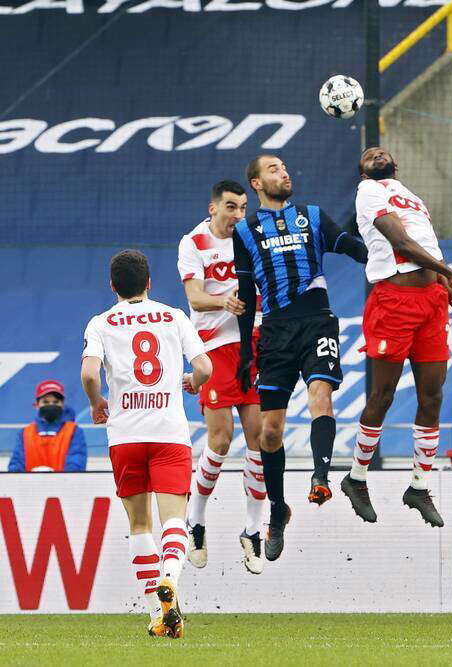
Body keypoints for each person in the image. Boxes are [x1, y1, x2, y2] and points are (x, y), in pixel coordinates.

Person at [233, 154, 368, 561]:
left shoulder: (313, 216)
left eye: (285, 167)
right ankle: (278, 510)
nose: (284, 172)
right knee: (268, 432)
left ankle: (321, 477)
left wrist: (382, 245)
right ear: (256, 183)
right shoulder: (244, 231)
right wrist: (244, 352)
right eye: (273, 169)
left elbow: (354, 249)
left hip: (317, 322)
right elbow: (245, 296)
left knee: (320, 396)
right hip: (274, 332)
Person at [340, 147, 452, 529]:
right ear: (363, 170)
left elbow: (429, 257)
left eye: (381, 151)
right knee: (382, 396)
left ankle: (418, 486)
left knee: (432, 396)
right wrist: (449, 270)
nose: (375, 153)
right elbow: (401, 245)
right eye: (367, 152)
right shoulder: (368, 191)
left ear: (396, 165)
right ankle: (356, 477)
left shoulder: (413, 198)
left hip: (432, 302)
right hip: (394, 301)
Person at [81, 249, 212, 639]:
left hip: (125, 435)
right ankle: (170, 577)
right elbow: (204, 367)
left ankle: (158, 612)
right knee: (175, 519)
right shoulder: (173, 316)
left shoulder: (101, 323)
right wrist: (194, 382)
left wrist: (97, 402)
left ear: (112, 286)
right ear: (149, 282)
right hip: (169, 432)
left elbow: (90, 372)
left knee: (140, 525)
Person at [178, 179, 266, 575]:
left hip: (253, 344)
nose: (237, 216)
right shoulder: (193, 242)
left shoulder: (251, 237)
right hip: (213, 349)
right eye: (231, 207)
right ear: (213, 208)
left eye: (243, 208)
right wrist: (223, 301)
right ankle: (195, 519)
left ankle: (252, 529)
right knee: (220, 438)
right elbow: (195, 297)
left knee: (260, 438)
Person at [8, 380, 87, 472]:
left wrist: (53, 480)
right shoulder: (24, 433)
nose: (51, 405)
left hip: (64, 485)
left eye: (56, 402)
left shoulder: (74, 431)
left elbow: (76, 463)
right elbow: (16, 464)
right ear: (37, 405)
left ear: (62, 404)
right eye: (46, 402)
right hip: (29, 485)